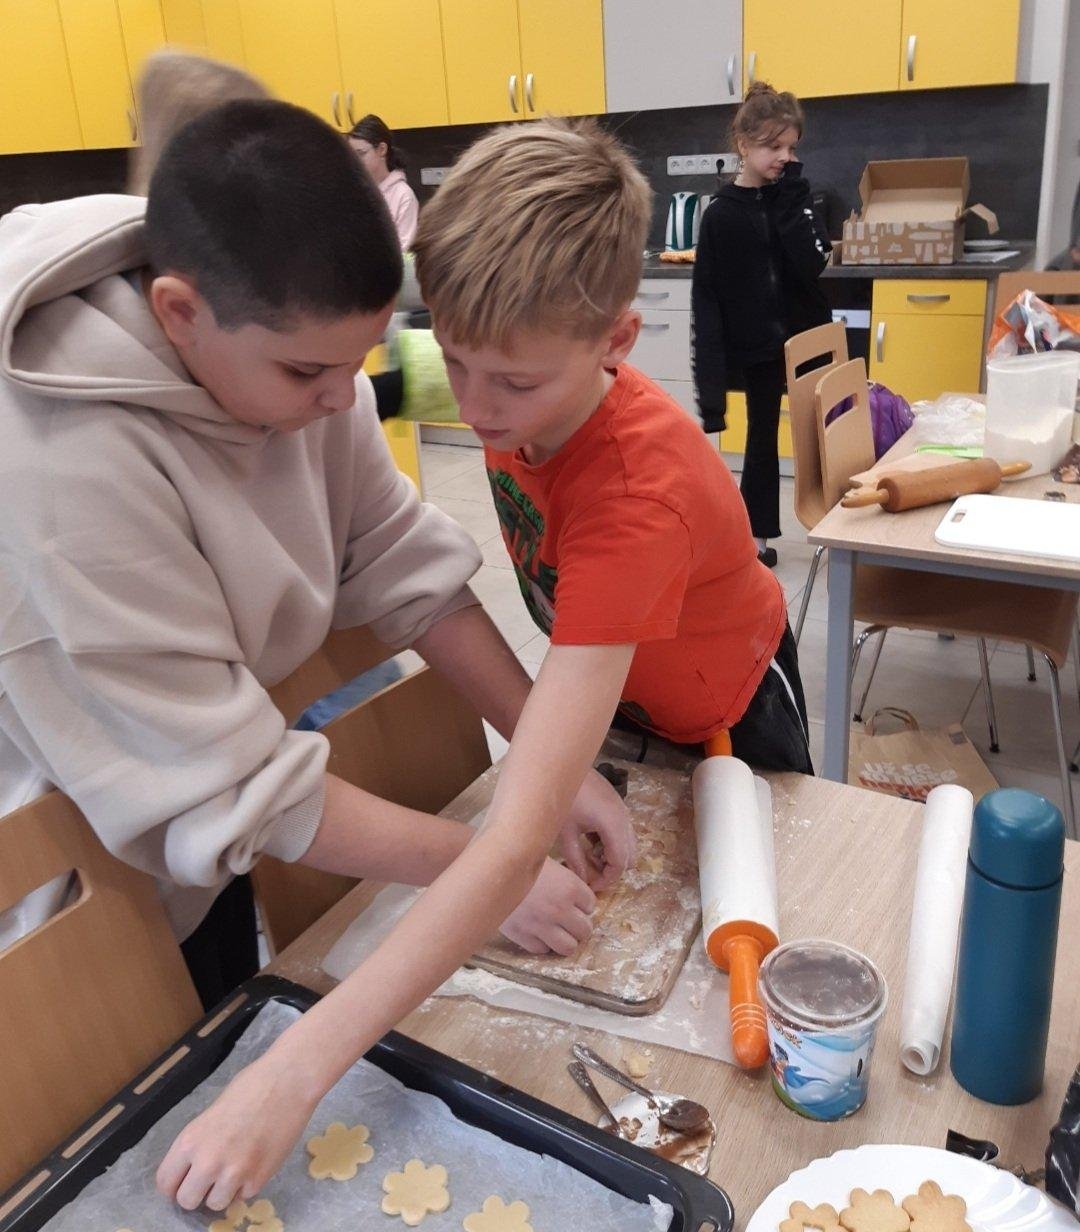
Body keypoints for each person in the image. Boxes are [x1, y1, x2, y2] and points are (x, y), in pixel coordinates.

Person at [0, 99, 637, 1209]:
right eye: (308, 376)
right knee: (115, 1136)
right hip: (68, 871)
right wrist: (486, 868)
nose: (345, 400)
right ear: (179, 313)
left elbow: (397, 560)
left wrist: (549, 752)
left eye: (363, 362)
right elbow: (229, 789)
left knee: (223, 1035)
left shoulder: (286, 325)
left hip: (204, 807)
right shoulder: (61, 464)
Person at [412, 116, 813, 772]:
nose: (471, 408)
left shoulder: (635, 493)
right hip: (627, 688)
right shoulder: (516, 381)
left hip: (730, 706)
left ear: (616, 342)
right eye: (452, 361)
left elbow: (551, 751)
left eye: (515, 382)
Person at [691, 82, 831, 567]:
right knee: (762, 437)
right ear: (743, 145)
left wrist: (791, 201)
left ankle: (840, 525)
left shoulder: (795, 197)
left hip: (807, 340)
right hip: (759, 347)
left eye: (791, 147)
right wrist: (710, 394)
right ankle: (758, 534)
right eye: (774, 147)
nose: (785, 157)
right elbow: (706, 302)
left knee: (825, 433)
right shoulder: (720, 215)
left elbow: (812, 262)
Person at [348, 114, 420, 248]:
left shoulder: (403, 196)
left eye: (361, 153)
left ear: (382, 149)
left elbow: (404, 253)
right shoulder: (354, 193)